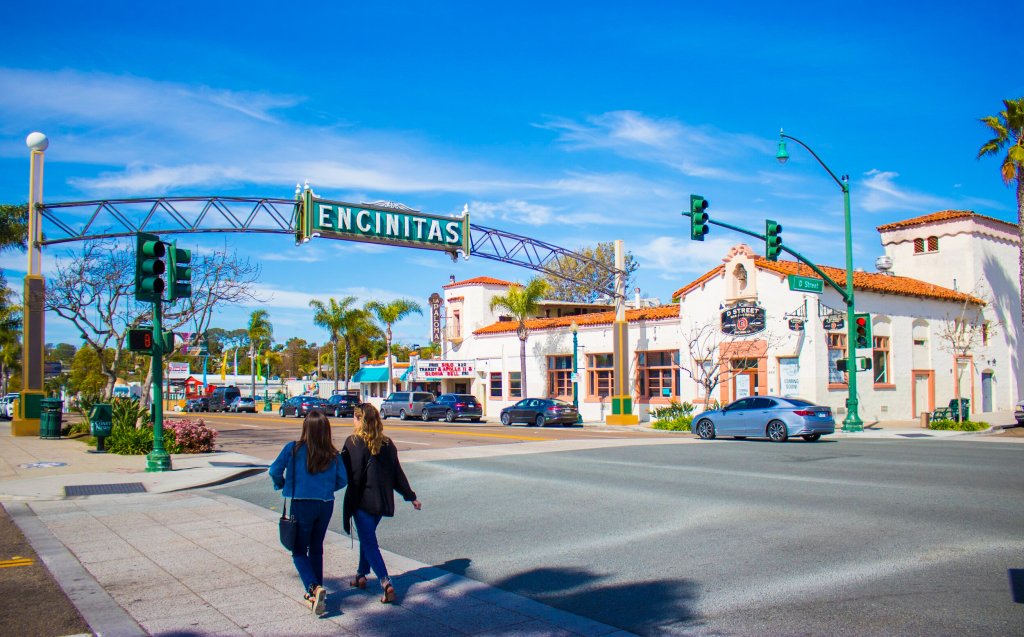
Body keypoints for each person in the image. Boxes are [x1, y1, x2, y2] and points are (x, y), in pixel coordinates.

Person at [342, 402, 421, 604]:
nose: (353, 420)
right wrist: (410, 496)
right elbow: (397, 475)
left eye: (354, 417)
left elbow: (348, 476)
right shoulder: (387, 444)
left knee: (369, 542)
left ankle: (386, 582)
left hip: (362, 502)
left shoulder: (352, 442)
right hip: (381, 503)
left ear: (360, 420)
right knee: (366, 538)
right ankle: (361, 575)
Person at [269, 409, 346, 615]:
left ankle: (313, 587)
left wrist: (282, 484)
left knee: (298, 550)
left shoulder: (293, 449)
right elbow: (343, 479)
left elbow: (274, 471)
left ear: (306, 428)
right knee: (317, 546)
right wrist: (328, 488)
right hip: (325, 503)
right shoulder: (332, 453)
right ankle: (316, 590)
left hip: (301, 502)